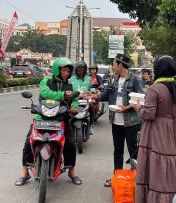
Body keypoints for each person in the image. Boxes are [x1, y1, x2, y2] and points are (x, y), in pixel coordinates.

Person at [15, 57, 82, 186]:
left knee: (70, 143)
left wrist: (74, 107)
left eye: (68, 71)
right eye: (63, 70)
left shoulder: (71, 84)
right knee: (29, 141)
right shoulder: (46, 80)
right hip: (43, 116)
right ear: (57, 70)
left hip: (62, 117)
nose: (66, 73)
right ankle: (25, 172)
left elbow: (74, 98)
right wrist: (63, 95)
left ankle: (72, 171)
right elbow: (45, 93)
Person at [133, 55, 176, 203]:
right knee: (173, 164)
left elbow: (149, 115)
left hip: (156, 131)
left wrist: (138, 108)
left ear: (158, 69)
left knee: (157, 165)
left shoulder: (154, 89)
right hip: (174, 132)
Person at [84, 53, 145, 187]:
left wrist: (127, 107)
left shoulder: (135, 79)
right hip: (116, 121)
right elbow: (106, 95)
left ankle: (137, 179)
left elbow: (141, 98)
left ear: (120, 65)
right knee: (117, 150)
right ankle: (117, 177)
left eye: (114, 65)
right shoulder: (113, 79)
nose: (113, 67)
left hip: (131, 122)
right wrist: (94, 95)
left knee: (133, 150)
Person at [69, 60, 96, 135]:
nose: (80, 70)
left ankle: (91, 125)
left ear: (85, 69)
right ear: (76, 69)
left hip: (85, 99)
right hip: (74, 100)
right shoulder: (71, 79)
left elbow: (92, 88)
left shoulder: (88, 78)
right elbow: (67, 89)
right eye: (78, 68)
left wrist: (92, 93)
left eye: (82, 68)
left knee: (92, 107)